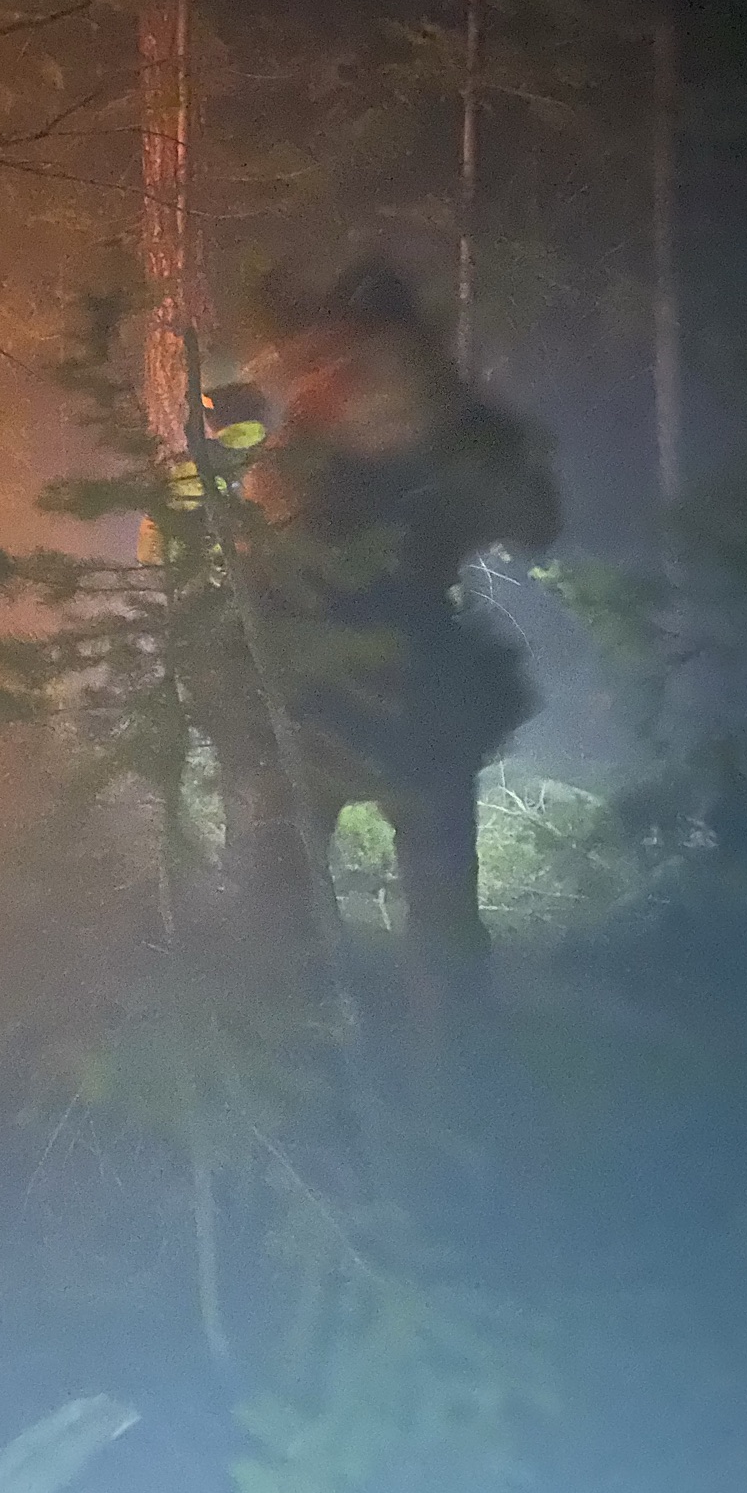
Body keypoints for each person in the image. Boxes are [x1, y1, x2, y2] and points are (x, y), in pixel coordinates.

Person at [231, 259, 561, 1006]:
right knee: (358, 902)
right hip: (375, 684)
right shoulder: (402, 416)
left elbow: (532, 515)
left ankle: (324, 1074)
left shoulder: (405, 418)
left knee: (297, 900)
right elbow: (536, 518)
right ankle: (401, 1079)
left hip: (365, 684)